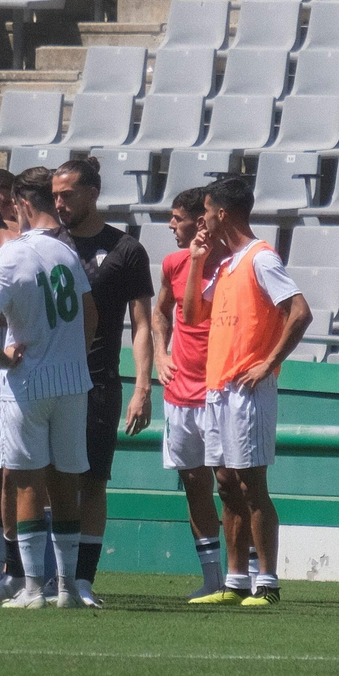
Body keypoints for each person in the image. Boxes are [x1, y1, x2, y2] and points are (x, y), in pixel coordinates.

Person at [0, 171, 97, 611]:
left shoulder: (7, 259)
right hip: (73, 381)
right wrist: (72, 353)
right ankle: (67, 589)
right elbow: (89, 313)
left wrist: (2, 359)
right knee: (66, 483)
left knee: (25, 484)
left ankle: (34, 589)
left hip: (28, 385)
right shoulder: (63, 249)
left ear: (18, 205)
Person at [183, 177, 312, 607]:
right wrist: (197, 260)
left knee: (252, 482)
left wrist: (269, 361)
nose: (201, 218)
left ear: (222, 213)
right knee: (225, 482)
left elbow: (299, 312)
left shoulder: (261, 259)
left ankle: (268, 581)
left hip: (247, 387)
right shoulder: (226, 263)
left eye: (205, 209)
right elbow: (191, 312)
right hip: (220, 387)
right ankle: (235, 581)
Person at [52, 157, 155, 608]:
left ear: (92, 193)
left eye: (67, 194)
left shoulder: (125, 249)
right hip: (48, 379)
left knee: (92, 481)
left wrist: (142, 387)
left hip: (98, 380)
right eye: (55, 194)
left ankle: (84, 580)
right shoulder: (47, 243)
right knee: (47, 479)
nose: (59, 202)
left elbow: (142, 323)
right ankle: (43, 576)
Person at [150, 186, 227, 600]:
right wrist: (161, 355)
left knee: (232, 484)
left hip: (221, 391)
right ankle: (213, 578)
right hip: (181, 392)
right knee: (194, 482)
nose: (170, 226)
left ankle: (247, 576)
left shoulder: (235, 265)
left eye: (176, 218)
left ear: (201, 221)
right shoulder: (174, 263)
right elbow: (161, 312)